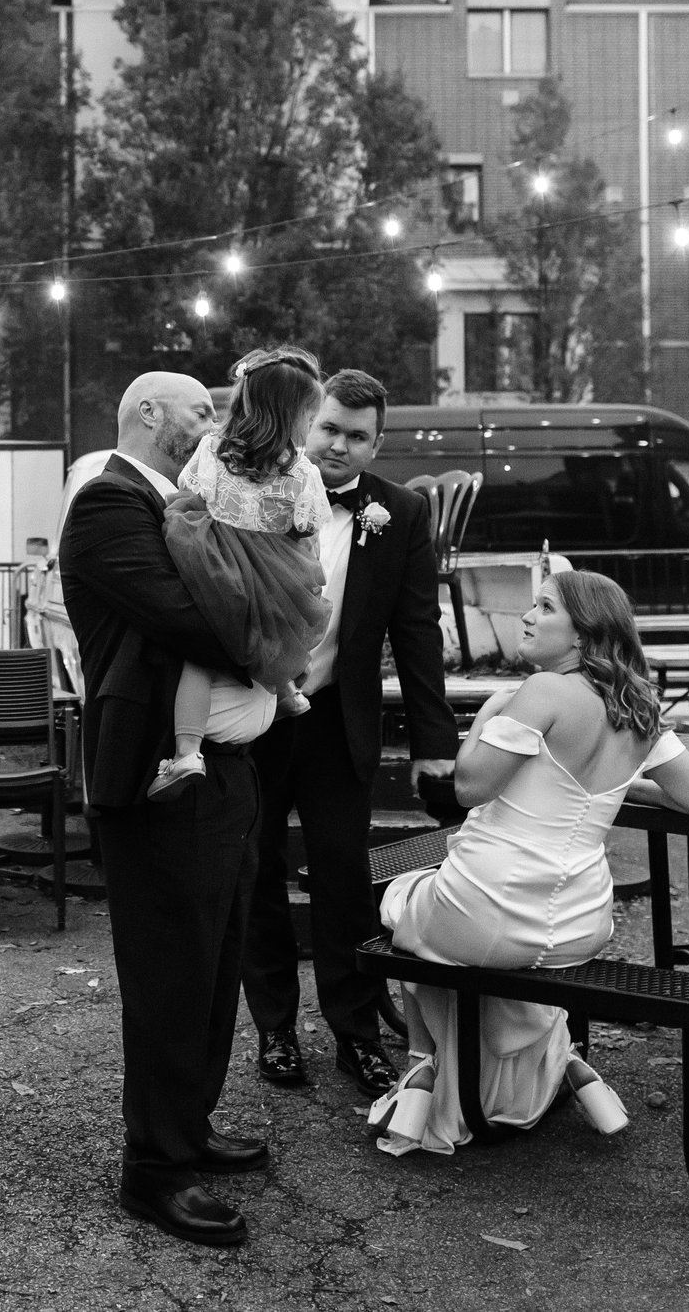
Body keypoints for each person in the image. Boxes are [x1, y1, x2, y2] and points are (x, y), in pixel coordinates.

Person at [370, 570, 689, 1157]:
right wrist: (617, 785)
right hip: (581, 923)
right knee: (484, 952)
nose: (527, 616)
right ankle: (563, 1061)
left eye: (544, 607)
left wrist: (487, 712)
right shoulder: (635, 704)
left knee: (405, 907)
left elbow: (467, 787)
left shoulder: (539, 692)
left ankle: (423, 1068)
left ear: (583, 636)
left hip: (489, 907)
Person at [58, 372, 268, 1249]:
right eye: (200, 409)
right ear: (147, 411)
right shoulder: (109, 504)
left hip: (224, 770)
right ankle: (154, 1169)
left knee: (218, 961)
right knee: (170, 973)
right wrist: (278, 620)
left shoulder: (177, 504)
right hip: (154, 775)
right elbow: (192, 618)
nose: (210, 423)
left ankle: (191, 1124)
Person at [241, 368, 460, 1099]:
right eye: (329, 426)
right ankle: (273, 1025)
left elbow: (418, 633)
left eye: (356, 435)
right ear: (309, 422)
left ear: (376, 443)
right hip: (252, 717)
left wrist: (436, 742)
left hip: (338, 719)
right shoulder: (254, 490)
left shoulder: (400, 513)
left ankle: (355, 1032)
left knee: (343, 878)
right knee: (257, 871)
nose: (338, 444)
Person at [158, 349, 334, 798]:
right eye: (309, 415)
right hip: (275, 573)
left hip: (214, 564)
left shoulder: (212, 448)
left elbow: (190, 492)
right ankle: (289, 691)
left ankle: (187, 751)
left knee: (201, 654)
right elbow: (308, 526)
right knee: (279, 632)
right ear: (293, 414)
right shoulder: (301, 470)